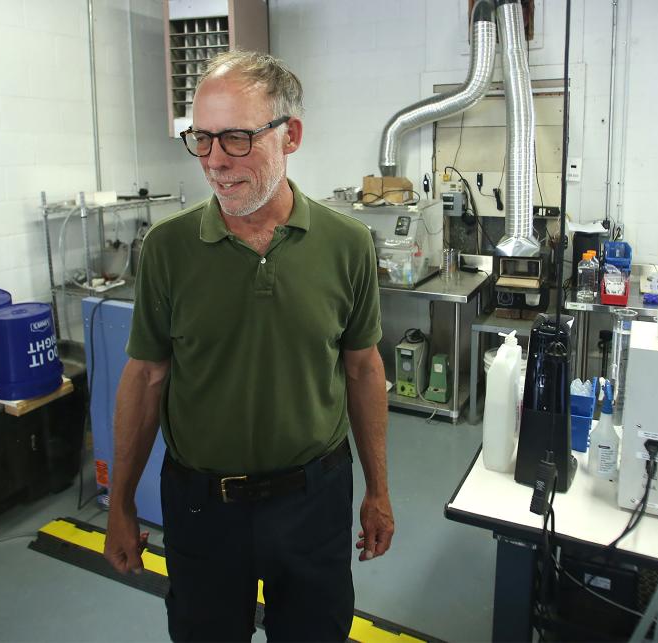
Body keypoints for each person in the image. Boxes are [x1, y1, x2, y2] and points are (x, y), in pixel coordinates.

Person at [103, 50, 394, 642]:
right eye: (202, 139)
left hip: (315, 502)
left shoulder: (348, 244)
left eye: (236, 139)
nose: (214, 161)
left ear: (291, 136)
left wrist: (379, 491)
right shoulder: (167, 249)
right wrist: (120, 502)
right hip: (202, 509)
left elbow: (363, 370)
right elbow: (146, 377)